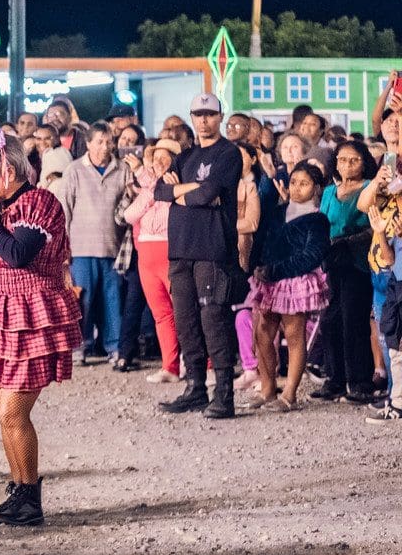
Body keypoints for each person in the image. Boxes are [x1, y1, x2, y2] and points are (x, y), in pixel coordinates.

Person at [0, 130, 79, 528]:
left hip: (32, 313)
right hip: (0, 311)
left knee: (13, 410)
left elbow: (16, 255)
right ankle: (20, 491)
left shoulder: (39, 202)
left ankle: (31, 500)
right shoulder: (1, 208)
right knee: (1, 411)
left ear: (5, 170)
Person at [156, 93, 245, 419]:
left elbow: (209, 193)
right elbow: (159, 192)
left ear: (219, 116)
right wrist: (188, 192)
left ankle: (224, 395)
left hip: (212, 249)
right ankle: (195, 388)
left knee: (213, 321)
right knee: (186, 321)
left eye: (210, 114)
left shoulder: (228, 154)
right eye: (198, 114)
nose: (204, 120)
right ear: (192, 117)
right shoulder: (185, 156)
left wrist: (182, 191)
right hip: (180, 249)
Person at [247, 161, 331, 411]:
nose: (296, 188)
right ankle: (268, 388)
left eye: (304, 184)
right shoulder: (276, 212)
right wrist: (256, 266)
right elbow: (260, 240)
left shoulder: (318, 220)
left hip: (295, 280)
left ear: (316, 188)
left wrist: (277, 270)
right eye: (294, 182)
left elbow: (312, 254)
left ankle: (290, 394)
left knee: (295, 334)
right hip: (270, 279)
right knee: (262, 332)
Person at [309, 140, 377, 404]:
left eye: (353, 160)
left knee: (353, 321)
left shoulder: (370, 187)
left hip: (357, 261)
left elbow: (375, 226)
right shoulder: (328, 192)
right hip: (331, 262)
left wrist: (348, 242)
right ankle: (335, 379)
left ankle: (360, 381)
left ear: (364, 163)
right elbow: (322, 224)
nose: (346, 165)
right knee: (329, 320)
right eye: (342, 159)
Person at [59, 122, 131, 367]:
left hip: (114, 248)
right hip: (80, 248)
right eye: (99, 141)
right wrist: (62, 248)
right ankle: (80, 347)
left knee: (113, 302)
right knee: (83, 301)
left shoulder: (122, 170)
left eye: (109, 141)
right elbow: (64, 210)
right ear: (88, 143)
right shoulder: (74, 170)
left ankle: (114, 347)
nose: (104, 146)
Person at [122, 140, 183, 383]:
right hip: (147, 255)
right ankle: (171, 366)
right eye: (155, 158)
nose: (157, 163)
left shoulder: (175, 188)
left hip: (169, 250)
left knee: (184, 311)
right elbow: (128, 215)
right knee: (161, 313)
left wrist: (148, 184)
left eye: (163, 159)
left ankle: (203, 363)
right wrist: (148, 192)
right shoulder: (149, 190)